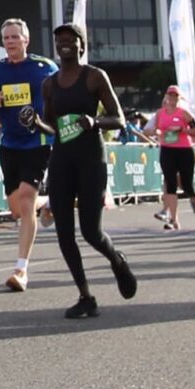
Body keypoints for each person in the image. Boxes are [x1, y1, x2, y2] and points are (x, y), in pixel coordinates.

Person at [37, 24, 136, 319]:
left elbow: (118, 119)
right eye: (59, 41)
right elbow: (51, 126)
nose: (65, 44)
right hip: (62, 160)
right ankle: (85, 296)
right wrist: (34, 124)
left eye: (71, 40)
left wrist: (94, 122)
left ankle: (116, 260)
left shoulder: (94, 76)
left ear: (81, 45)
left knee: (91, 231)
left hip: (91, 159)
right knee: (64, 233)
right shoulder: (49, 84)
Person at [0, 19, 58, 292]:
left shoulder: (44, 68)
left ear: (26, 40)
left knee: (24, 199)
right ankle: (49, 201)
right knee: (16, 209)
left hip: (39, 139)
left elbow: (60, 96)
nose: (10, 41)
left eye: (15, 37)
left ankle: (21, 268)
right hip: (9, 143)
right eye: (6, 37)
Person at [150, 83, 195, 231]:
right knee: (170, 182)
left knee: (186, 183)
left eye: (176, 97)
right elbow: (153, 129)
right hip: (167, 149)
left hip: (184, 150)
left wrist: (182, 130)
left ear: (180, 99)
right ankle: (173, 220)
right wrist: (158, 132)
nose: (173, 99)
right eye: (170, 96)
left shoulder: (185, 113)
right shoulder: (160, 113)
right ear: (166, 97)